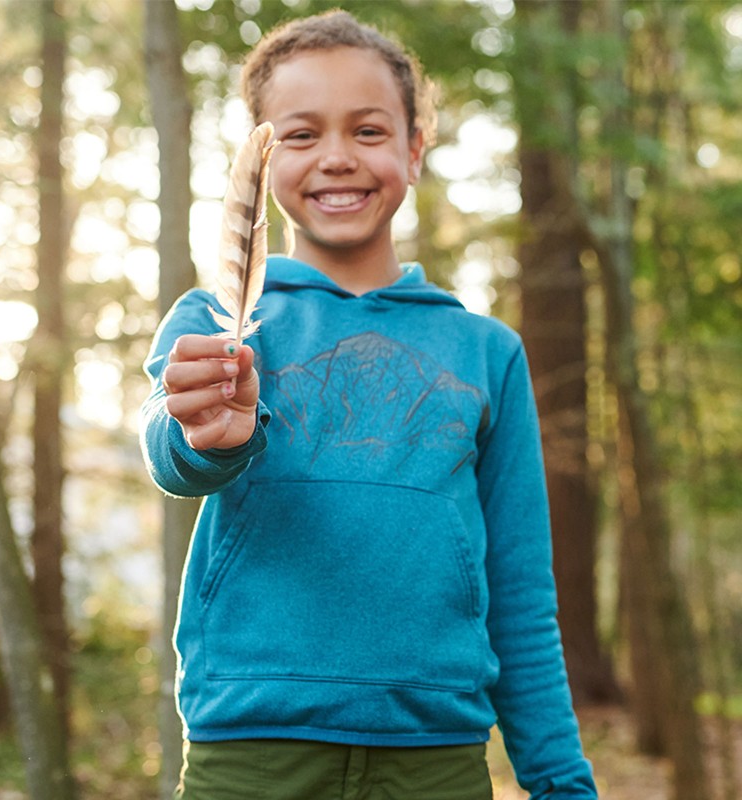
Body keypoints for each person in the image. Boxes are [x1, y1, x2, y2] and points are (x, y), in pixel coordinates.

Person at [140, 10, 598, 800]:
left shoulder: (487, 352)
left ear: (415, 149)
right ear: (259, 153)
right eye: (302, 134)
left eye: (370, 131)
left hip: (438, 758)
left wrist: (559, 779)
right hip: (252, 752)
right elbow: (169, 455)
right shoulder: (216, 323)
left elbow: (520, 593)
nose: (338, 159)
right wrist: (210, 440)